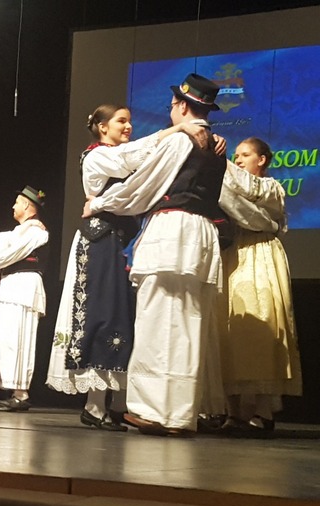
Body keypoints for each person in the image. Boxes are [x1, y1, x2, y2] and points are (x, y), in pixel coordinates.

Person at [47, 104, 220, 431]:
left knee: (122, 316)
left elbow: (146, 161)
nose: (128, 126)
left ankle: (113, 403)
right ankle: (94, 405)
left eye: (130, 121)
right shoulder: (96, 156)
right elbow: (129, 158)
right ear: (102, 127)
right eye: (121, 121)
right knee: (101, 314)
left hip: (123, 240)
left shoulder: (129, 155)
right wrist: (179, 129)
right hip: (100, 240)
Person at [83, 73, 228, 435]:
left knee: (158, 320)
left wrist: (98, 203)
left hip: (172, 233)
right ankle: (181, 414)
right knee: (189, 325)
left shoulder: (180, 140)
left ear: (182, 106)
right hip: (201, 236)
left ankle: (152, 411)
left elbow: (141, 187)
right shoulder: (216, 143)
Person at [217, 137, 302, 435]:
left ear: (262, 159)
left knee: (262, 327)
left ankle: (262, 411)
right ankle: (233, 411)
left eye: (245, 155)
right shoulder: (229, 186)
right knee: (229, 329)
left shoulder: (271, 187)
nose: (238, 160)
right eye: (235, 156)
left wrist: (217, 160)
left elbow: (247, 205)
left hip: (260, 253)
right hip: (232, 253)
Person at [0, 186, 49, 412]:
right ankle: (14, 390)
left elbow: (9, 254)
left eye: (17, 202)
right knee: (7, 339)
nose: (13, 206)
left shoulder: (37, 233)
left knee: (20, 340)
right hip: (12, 287)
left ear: (26, 205)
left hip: (24, 287)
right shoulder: (18, 232)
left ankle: (21, 393)